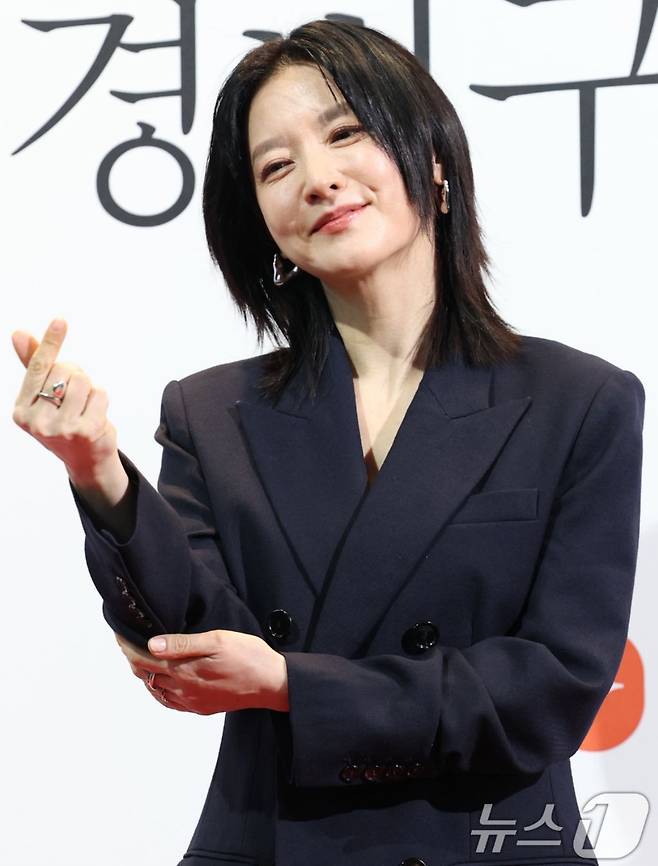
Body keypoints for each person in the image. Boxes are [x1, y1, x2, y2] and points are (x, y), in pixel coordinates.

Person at [11, 18, 644, 866]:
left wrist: (292, 686)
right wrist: (96, 470)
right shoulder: (213, 411)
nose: (317, 179)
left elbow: (553, 688)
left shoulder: (580, 401)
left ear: (434, 162)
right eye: (277, 166)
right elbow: (189, 634)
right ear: (262, 223)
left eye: (345, 134)